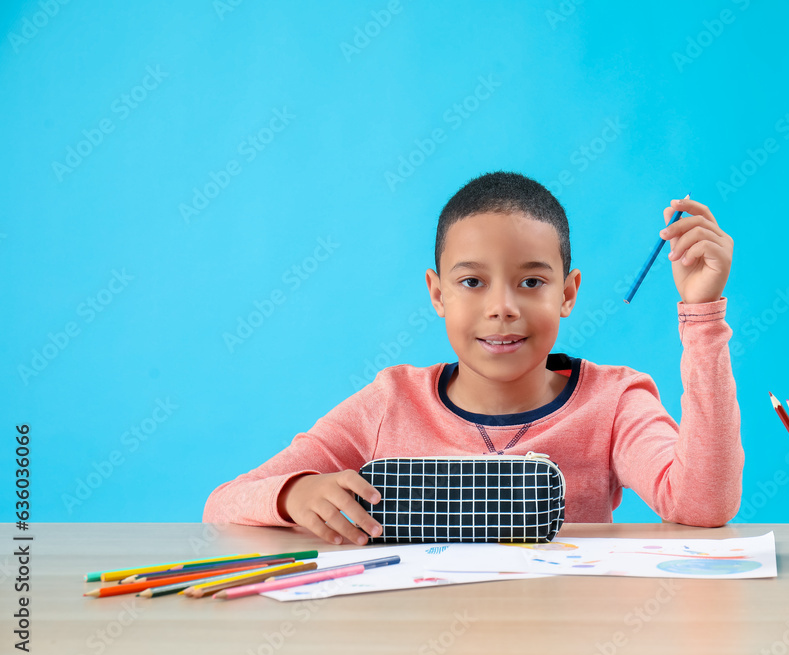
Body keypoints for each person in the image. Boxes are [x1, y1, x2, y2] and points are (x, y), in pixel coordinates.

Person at [203, 171, 742, 545]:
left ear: (568, 293)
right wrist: (295, 493)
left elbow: (702, 505)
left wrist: (702, 316)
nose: (502, 308)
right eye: (471, 282)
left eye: (531, 281)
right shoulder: (390, 402)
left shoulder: (614, 401)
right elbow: (224, 503)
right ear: (437, 294)